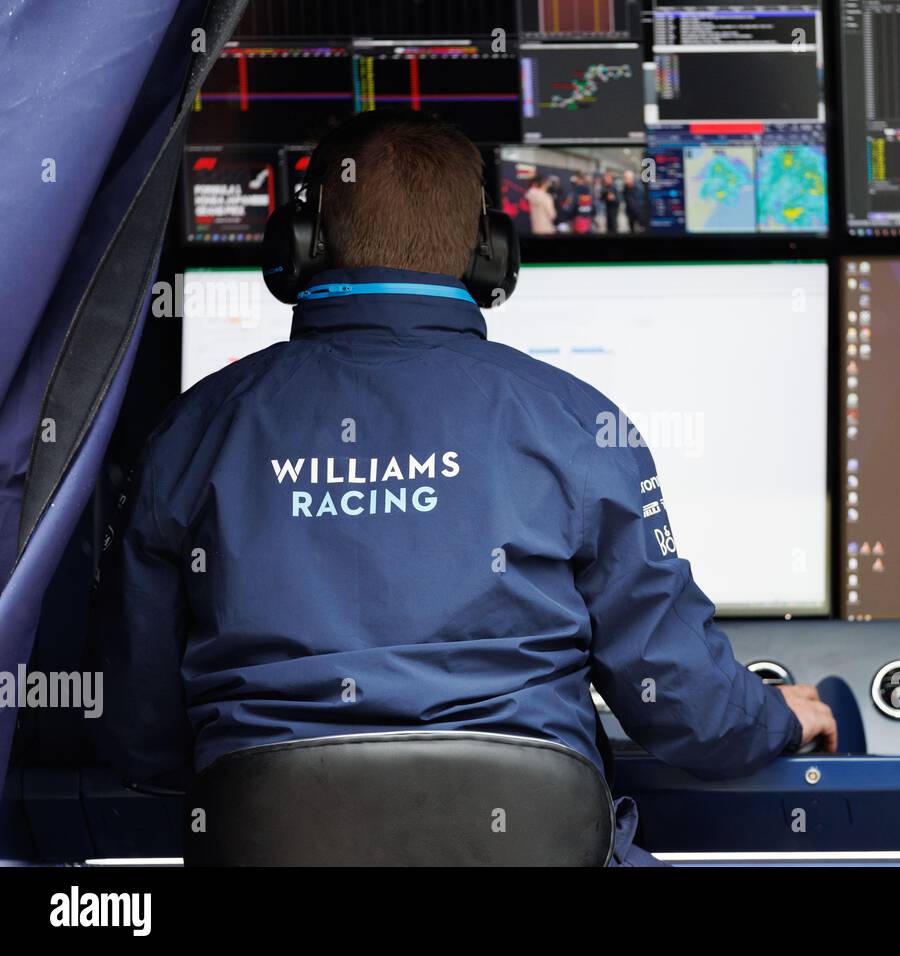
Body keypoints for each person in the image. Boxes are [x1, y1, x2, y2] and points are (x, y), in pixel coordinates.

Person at [99, 110, 836, 866]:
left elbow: (142, 736)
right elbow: (688, 713)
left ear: (297, 244)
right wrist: (773, 717)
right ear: (491, 255)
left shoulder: (191, 432)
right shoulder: (574, 423)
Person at [621, 168, 647, 233]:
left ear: (631, 178)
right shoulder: (625, 187)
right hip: (630, 213)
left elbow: (642, 200)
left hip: (639, 213)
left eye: (626, 177)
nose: (625, 179)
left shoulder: (639, 187)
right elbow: (624, 198)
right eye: (624, 177)